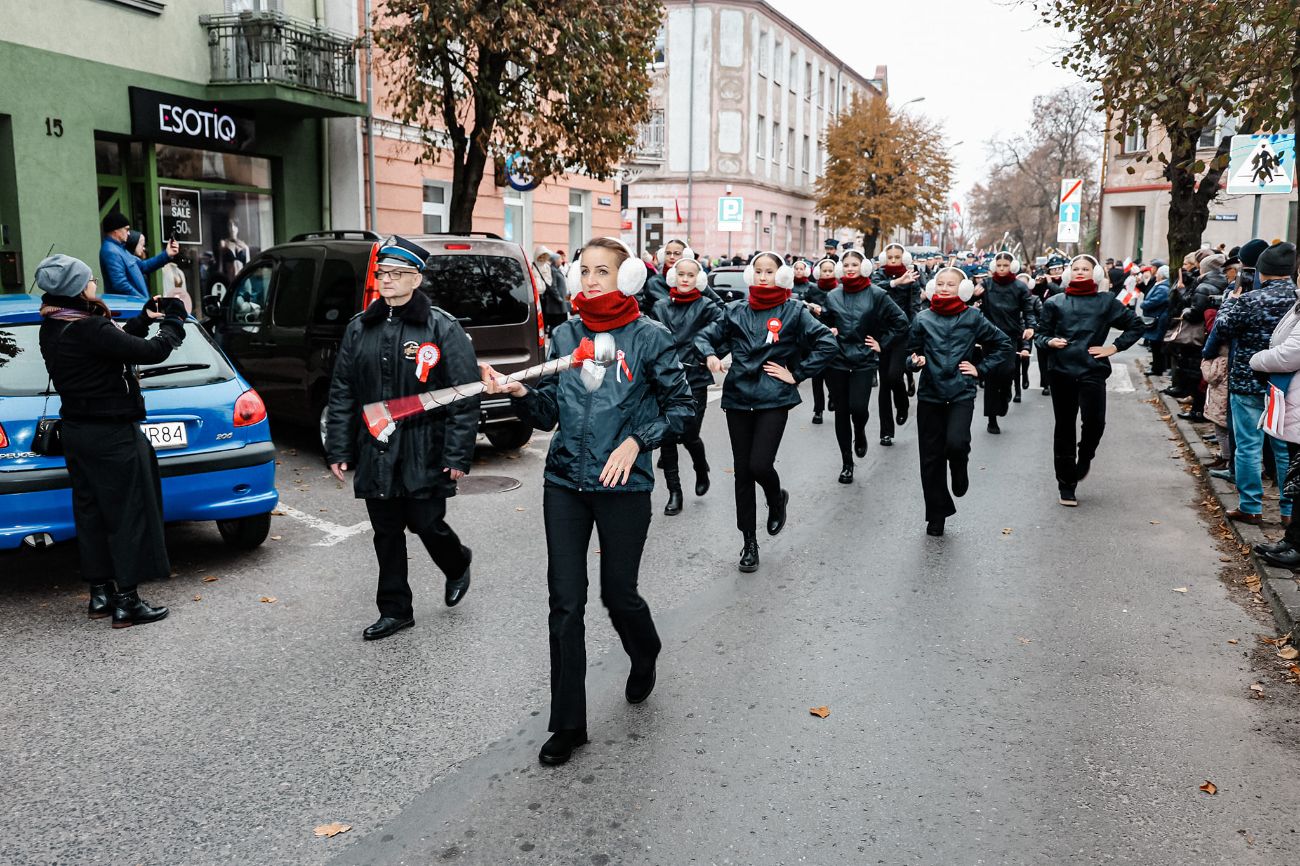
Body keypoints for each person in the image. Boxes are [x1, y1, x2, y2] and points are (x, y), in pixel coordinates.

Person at [483, 236, 694, 766]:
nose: (593, 279)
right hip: (564, 484)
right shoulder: (566, 333)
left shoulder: (650, 337)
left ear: (627, 279)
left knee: (618, 594)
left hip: (624, 483)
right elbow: (550, 412)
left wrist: (637, 439)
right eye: (587, 271)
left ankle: (644, 653)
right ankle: (568, 726)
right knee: (565, 604)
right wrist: (520, 395)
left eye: (605, 271)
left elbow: (683, 408)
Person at [325, 236, 480, 641]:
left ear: (417, 278)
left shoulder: (440, 327)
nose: (386, 280)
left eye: (396, 274)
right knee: (386, 532)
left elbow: (464, 394)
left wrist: (458, 454)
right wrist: (339, 448)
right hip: (377, 447)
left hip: (424, 448)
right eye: (382, 273)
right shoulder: (360, 328)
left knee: (427, 522)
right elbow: (343, 391)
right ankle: (395, 610)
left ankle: (457, 561)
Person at [36, 254, 187, 627]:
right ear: (76, 288)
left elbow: (110, 348)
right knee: (126, 513)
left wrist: (140, 320)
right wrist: (174, 322)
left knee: (91, 513)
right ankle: (127, 601)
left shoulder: (54, 325)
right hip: (111, 434)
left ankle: (100, 593)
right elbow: (152, 352)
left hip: (77, 432)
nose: (94, 283)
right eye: (88, 278)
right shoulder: (90, 328)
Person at [697, 251, 836, 572]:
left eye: (768, 271)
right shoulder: (735, 310)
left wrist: (797, 373)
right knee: (742, 473)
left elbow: (826, 344)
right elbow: (707, 336)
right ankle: (749, 542)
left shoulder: (794, 311)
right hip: (737, 397)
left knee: (760, 465)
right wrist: (709, 355)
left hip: (773, 397)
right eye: (757, 271)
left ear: (781, 276)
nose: (762, 276)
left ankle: (776, 498)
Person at [906, 267, 1013, 536]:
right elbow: (910, 352)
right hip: (930, 393)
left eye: (950, 284)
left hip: (960, 392)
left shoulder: (973, 317)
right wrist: (914, 362)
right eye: (940, 283)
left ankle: (959, 466)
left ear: (962, 290)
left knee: (956, 442)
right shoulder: (922, 318)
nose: (944, 288)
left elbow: (1002, 344)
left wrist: (981, 369)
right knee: (930, 457)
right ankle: (937, 515)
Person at [1035, 254, 1145, 506]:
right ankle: (1066, 485)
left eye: (1086, 268)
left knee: (1095, 422)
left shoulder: (1106, 302)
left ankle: (1085, 455)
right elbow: (1040, 336)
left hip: (1092, 370)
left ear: (1094, 273)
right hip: (1061, 371)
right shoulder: (1055, 302)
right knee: (1064, 427)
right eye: (1076, 268)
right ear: (1068, 273)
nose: (1080, 272)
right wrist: (1050, 341)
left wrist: (1114, 348)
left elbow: (1136, 326)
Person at [1204, 242, 1298, 526]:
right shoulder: (1295, 298)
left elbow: (1223, 328)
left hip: (1247, 380)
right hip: (1284, 384)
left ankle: (1251, 505)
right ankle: (1289, 510)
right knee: (1283, 449)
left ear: (1262, 271)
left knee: (1247, 446)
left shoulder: (1250, 299)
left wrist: (1231, 300)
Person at [821, 250, 907, 479]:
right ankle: (847, 463)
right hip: (837, 361)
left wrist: (883, 344)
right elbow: (822, 324)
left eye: (854, 264)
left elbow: (901, 322)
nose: (850, 268)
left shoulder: (877, 294)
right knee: (841, 412)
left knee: (858, 409)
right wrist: (828, 332)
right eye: (846, 264)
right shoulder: (833, 296)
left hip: (864, 360)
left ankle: (859, 432)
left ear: (864, 267)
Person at [652, 256, 723, 516]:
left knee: (690, 434)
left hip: (695, 379)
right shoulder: (659, 306)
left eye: (690, 275)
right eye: (680, 274)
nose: (684, 279)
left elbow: (723, 333)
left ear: (698, 279)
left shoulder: (707, 306)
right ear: (673, 276)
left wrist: (708, 356)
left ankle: (700, 467)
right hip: (665, 380)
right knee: (667, 436)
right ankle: (674, 492)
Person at [974, 252, 1036, 434]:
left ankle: (1007, 391)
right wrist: (972, 295)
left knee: (1008, 370)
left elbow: (1029, 310)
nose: (1001, 269)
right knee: (991, 374)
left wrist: (1031, 327)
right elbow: (968, 303)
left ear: (1012, 267)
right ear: (994, 266)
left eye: (1005, 266)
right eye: (998, 265)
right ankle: (992, 420)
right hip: (989, 336)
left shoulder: (1020, 287)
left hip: (1010, 336)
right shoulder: (986, 284)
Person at [873, 243, 921, 445]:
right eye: (890, 257)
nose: (893, 261)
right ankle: (886, 431)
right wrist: (895, 283)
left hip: (902, 334)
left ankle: (902, 404)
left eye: (897, 257)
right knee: (884, 383)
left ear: (904, 258)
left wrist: (915, 337)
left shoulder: (912, 279)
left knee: (894, 375)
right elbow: (873, 289)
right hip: (881, 335)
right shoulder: (879, 275)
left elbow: (915, 309)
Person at [99, 211, 178, 299]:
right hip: (129, 307)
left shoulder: (120, 249)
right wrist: (142, 300)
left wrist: (167, 254)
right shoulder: (111, 251)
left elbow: (143, 266)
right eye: (126, 229)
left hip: (134, 305)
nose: (128, 233)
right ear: (116, 231)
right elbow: (120, 284)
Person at [804, 258, 838, 423]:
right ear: (818, 272)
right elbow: (804, 309)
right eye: (824, 270)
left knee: (832, 373)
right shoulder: (812, 289)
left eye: (830, 270)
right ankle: (818, 410)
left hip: (834, 335)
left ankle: (833, 395)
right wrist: (811, 307)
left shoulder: (840, 290)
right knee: (816, 375)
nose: (826, 273)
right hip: (815, 335)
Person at [1142, 265, 1172, 376]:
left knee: (1157, 345)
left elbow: (1155, 301)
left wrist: (1143, 304)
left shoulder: (1163, 287)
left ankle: (1157, 368)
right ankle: (1157, 366)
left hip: (1159, 318)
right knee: (1156, 345)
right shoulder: (1161, 285)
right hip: (1157, 317)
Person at [533, 245, 570, 335]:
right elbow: (552, 286)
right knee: (556, 324)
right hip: (555, 303)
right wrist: (560, 299)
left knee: (560, 324)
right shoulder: (552, 270)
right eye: (560, 259)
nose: (561, 260)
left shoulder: (556, 269)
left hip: (561, 301)